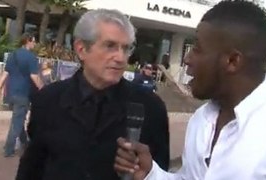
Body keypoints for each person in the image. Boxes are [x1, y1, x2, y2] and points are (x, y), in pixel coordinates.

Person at [114, 1, 266, 179]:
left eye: (197, 50)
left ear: (232, 61)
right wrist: (150, 174)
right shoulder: (201, 121)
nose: (187, 59)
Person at [16, 9, 169, 180]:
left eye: (126, 48)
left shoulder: (150, 107)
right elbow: (31, 168)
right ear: (81, 49)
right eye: (110, 46)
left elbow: (161, 173)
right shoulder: (48, 100)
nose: (120, 57)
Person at [0, 33, 43, 157]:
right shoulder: (32, 58)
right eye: (34, 41)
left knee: (18, 118)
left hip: (11, 93)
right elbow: (34, 77)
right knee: (17, 121)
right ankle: (8, 149)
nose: (35, 44)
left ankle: (24, 142)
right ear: (28, 41)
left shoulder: (13, 55)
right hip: (23, 93)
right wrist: (44, 89)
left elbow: (5, 74)